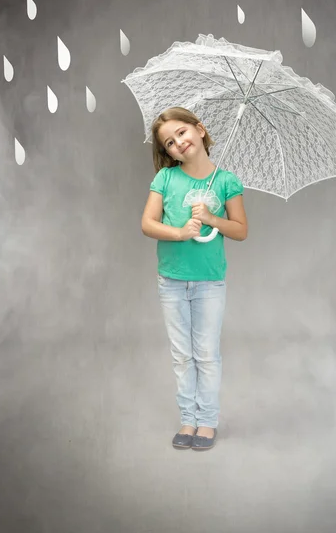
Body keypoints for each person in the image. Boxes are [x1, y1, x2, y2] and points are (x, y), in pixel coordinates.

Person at [141, 107, 248, 451]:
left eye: (181, 133)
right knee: (181, 355)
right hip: (171, 280)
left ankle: (207, 421)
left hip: (209, 282)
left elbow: (241, 230)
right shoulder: (166, 180)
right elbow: (147, 223)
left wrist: (213, 219)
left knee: (205, 354)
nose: (177, 144)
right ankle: (187, 418)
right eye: (169, 143)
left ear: (199, 130)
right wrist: (180, 232)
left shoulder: (227, 181)